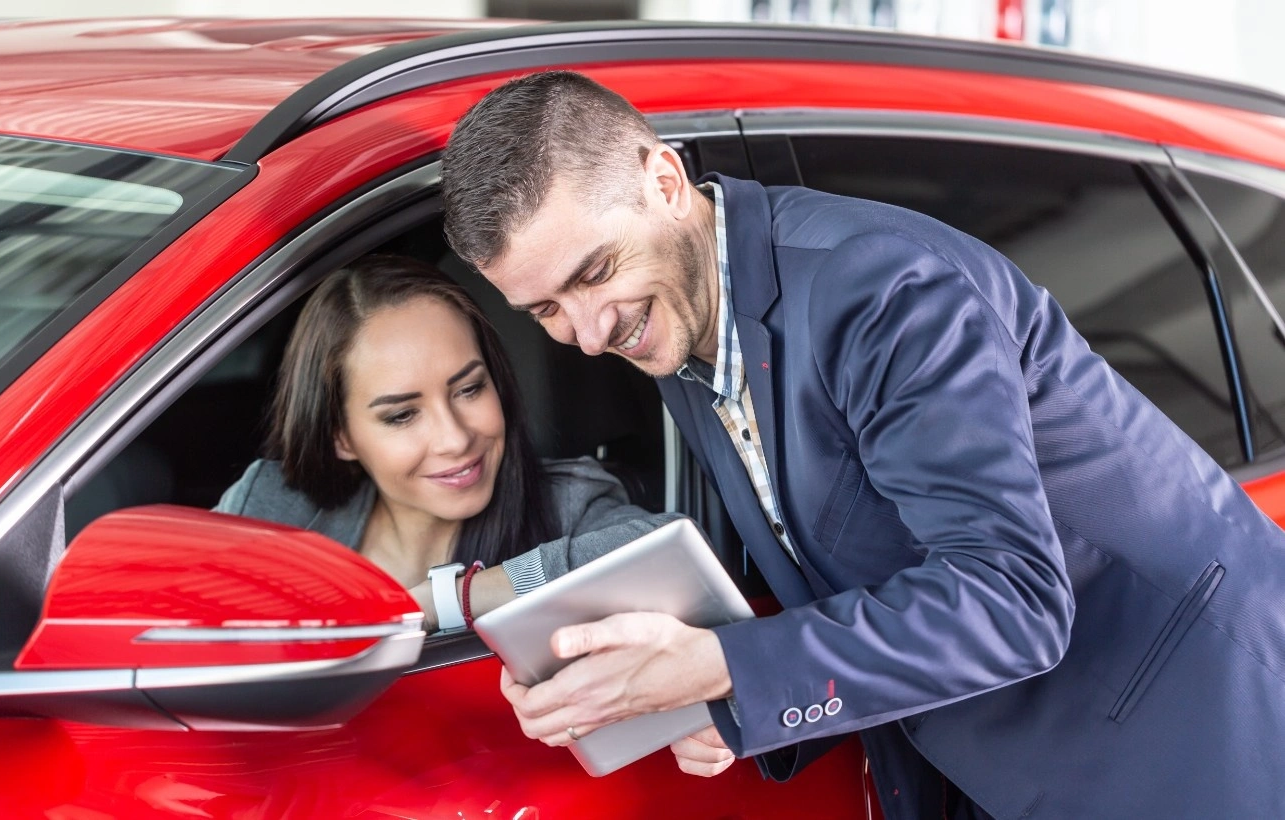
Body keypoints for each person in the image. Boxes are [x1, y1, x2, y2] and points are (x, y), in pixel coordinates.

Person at [439, 71, 1285, 818]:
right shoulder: (677, 325)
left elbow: (1013, 602)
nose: (587, 334)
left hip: (1196, 743)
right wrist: (716, 701)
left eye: (592, 274)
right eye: (545, 311)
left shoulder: (879, 287)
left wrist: (721, 667)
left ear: (664, 180)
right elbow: (844, 567)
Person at [215, 254, 679, 632]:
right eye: (402, 415)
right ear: (341, 436)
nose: (455, 438)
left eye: (469, 389)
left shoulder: (566, 505)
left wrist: (454, 600)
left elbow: (669, 556)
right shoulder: (273, 509)